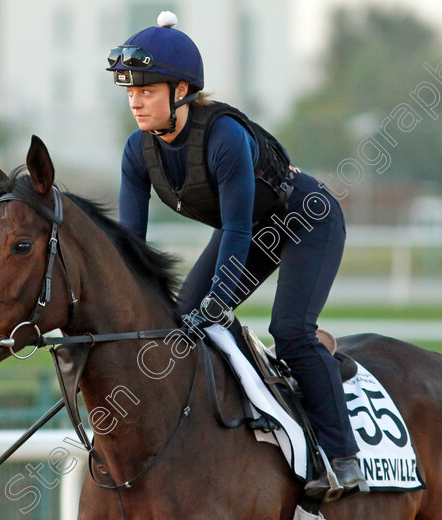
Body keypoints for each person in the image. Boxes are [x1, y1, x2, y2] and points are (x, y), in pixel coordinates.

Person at [106, 12, 367, 501]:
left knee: (288, 330)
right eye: (130, 92)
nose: (135, 102)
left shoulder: (224, 137)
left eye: (146, 90)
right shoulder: (137, 151)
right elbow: (130, 247)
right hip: (244, 229)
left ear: (181, 90)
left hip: (305, 219)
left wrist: (218, 300)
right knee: (180, 323)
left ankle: (340, 457)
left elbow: (239, 229)